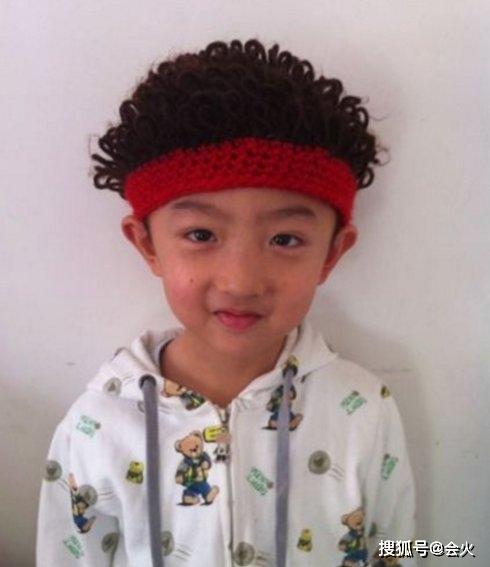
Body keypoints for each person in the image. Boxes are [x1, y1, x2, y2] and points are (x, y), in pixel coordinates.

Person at [36, 38, 417, 566]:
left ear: (332, 252)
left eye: (285, 239)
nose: (241, 282)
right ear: (147, 245)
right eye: (201, 234)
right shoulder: (97, 424)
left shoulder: (365, 408)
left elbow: (401, 547)